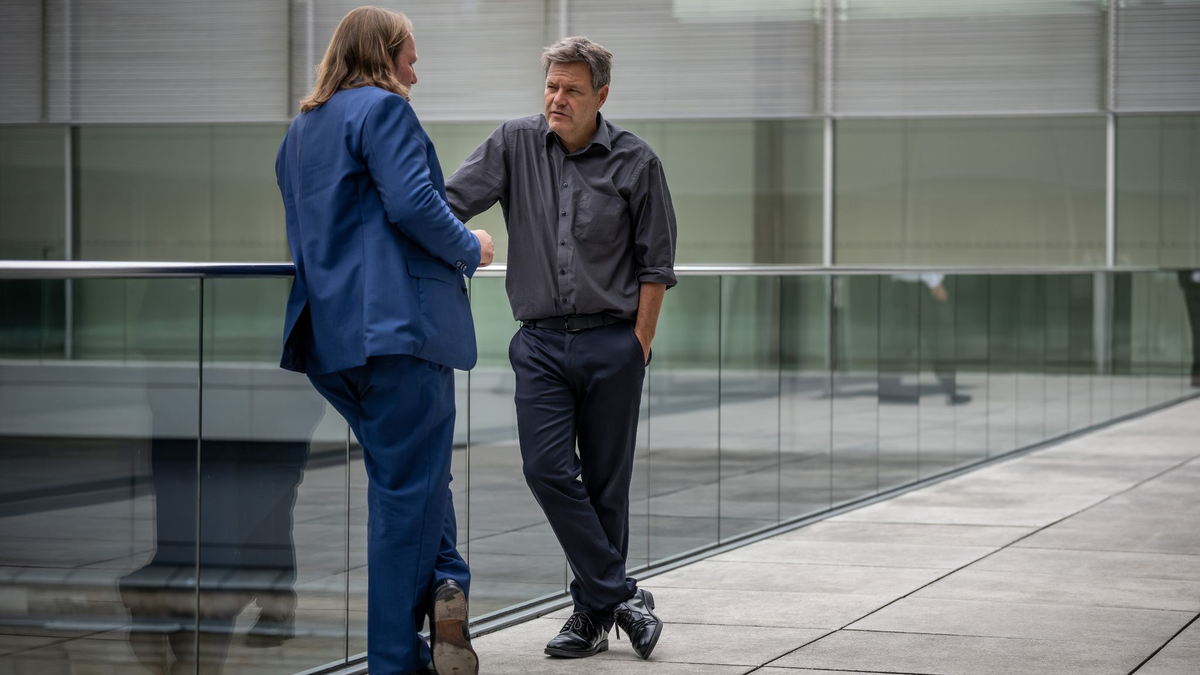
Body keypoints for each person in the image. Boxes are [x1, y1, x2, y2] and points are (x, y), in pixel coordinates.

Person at [274, 7, 493, 675]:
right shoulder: (383, 111)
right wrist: (472, 246)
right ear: (382, 54)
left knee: (412, 480)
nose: (415, 72)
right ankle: (395, 661)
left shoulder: (300, 130)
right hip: (399, 335)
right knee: (408, 492)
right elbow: (415, 204)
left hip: (331, 341)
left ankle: (447, 584)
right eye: (410, 57)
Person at [446, 36, 677, 661]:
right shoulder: (513, 143)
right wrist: (468, 240)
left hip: (613, 342)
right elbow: (442, 204)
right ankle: (622, 595)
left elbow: (656, 265)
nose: (557, 98)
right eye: (551, 86)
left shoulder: (637, 163)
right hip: (541, 344)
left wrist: (639, 345)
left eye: (572, 89)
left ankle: (590, 616)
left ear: (601, 95)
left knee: (607, 484)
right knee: (547, 469)